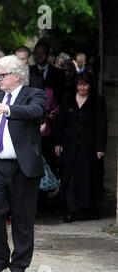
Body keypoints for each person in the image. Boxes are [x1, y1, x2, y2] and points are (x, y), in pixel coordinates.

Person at [0, 55, 46, 272]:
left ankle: (19, 266)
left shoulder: (33, 95)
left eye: (2, 74)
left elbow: (35, 112)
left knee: (22, 219)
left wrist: (10, 110)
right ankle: (0, 258)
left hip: (23, 167)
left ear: (16, 76)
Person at [55, 71, 107, 223]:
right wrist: (58, 142)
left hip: (89, 147)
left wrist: (100, 147)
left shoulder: (97, 101)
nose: (82, 88)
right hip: (70, 145)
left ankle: (89, 208)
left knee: (88, 177)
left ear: (90, 85)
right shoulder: (68, 99)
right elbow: (61, 122)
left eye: (85, 84)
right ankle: (71, 210)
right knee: (69, 177)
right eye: (79, 84)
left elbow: (101, 125)